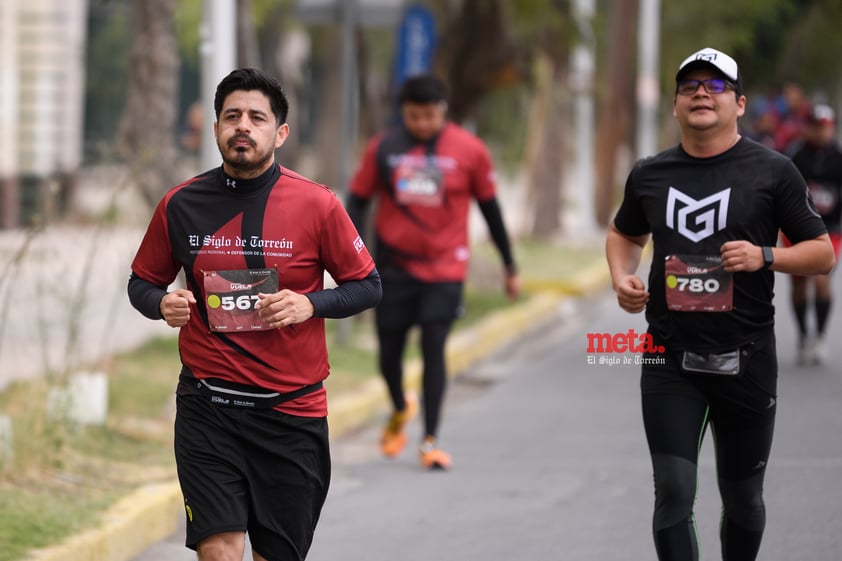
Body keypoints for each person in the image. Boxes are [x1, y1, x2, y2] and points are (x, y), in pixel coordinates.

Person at [127, 68, 381, 561]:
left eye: (256, 117)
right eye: (231, 116)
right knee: (218, 548)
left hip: (290, 413)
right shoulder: (180, 205)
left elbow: (368, 286)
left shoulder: (318, 204)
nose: (242, 126)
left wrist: (311, 303)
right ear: (216, 128)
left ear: (279, 133)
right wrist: (160, 303)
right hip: (208, 407)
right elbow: (141, 282)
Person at [605, 47, 835, 561]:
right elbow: (623, 234)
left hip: (747, 358)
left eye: (715, 86)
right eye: (690, 87)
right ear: (675, 105)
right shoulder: (650, 174)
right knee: (673, 495)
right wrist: (623, 277)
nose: (701, 94)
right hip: (670, 360)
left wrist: (765, 256)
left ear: (740, 103)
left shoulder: (774, 171)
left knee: (745, 501)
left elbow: (822, 255)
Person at [345, 74, 520, 470]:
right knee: (388, 356)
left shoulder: (469, 150)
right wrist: (355, 257)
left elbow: (491, 211)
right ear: (402, 113)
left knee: (433, 349)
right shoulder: (384, 147)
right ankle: (399, 406)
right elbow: (355, 202)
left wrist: (510, 265)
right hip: (391, 269)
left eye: (429, 115)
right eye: (413, 116)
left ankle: (430, 440)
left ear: (443, 109)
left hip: (445, 268)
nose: (422, 123)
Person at [785, 103, 842, 364]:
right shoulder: (795, 156)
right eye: (816, 127)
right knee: (798, 284)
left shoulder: (838, 157)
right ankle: (803, 335)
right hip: (796, 229)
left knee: (821, 280)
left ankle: (819, 335)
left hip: (829, 229)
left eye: (825, 127)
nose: (820, 132)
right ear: (807, 128)